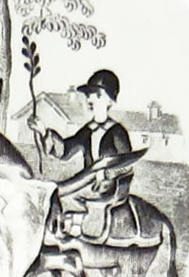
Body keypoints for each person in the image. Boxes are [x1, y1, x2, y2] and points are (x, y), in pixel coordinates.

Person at [28, 69, 141, 240]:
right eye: (88, 95)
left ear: (109, 101)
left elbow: (126, 165)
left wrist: (106, 175)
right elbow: (65, 151)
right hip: (87, 180)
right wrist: (44, 132)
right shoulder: (88, 130)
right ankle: (61, 230)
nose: (90, 99)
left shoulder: (117, 132)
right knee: (55, 191)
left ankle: (78, 231)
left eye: (97, 95)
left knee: (64, 194)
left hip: (108, 187)